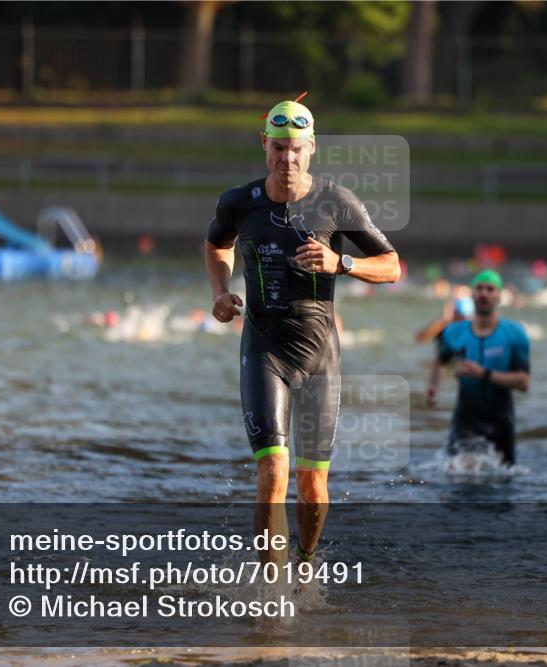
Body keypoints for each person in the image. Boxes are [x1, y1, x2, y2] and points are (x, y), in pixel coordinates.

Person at [203, 98, 401, 568]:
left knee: (312, 488)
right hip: (263, 348)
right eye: (277, 149)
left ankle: (305, 561)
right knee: (273, 469)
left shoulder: (336, 202)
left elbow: (392, 265)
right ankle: (273, 590)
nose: (286, 160)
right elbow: (216, 244)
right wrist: (220, 290)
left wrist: (342, 263)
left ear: (311, 148)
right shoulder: (238, 202)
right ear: (263, 146)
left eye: (295, 149)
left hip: (320, 359)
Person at [426, 269, 530, 466]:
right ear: (472, 294)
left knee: (503, 483)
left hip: (501, 423)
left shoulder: (514, 333)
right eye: (479, 288)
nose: (484, 293)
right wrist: (433, 387)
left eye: (490, 289)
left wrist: (484, 374)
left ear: (499, 296)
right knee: (457, 481)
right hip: (465, 420)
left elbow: (524, 382)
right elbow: (439, 360)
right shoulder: (454, 332)